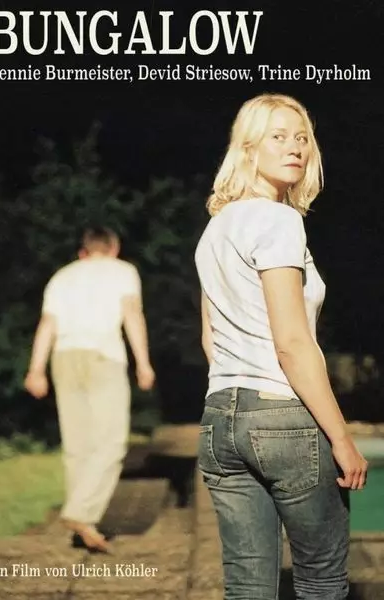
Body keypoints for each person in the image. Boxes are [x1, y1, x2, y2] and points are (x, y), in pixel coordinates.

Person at [194, 94, 368, 599]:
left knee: (247, 587)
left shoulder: (215, 228)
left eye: (302, 138)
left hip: (219, 420)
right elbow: (292, 342)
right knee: (322, 582)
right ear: (248, 148)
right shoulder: (278, 220)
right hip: (284, 418)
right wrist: (341, 438)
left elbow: (209, 338)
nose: (295, 147)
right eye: (279, 136)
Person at [24, 226, 155, 552]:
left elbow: (48, 324)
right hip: (102, 356)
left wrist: (36, 369)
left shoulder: (62, 276)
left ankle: (84, 524)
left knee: (78, 445)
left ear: (83, 251)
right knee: (111, 441)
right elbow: (132, 314)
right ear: (114, 248)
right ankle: (80, 513)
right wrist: (143, 363)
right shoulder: (123, 271)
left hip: (64, 358)